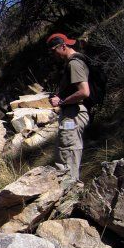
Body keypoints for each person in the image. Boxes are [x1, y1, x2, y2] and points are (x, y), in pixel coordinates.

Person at [47, 33, 90, 181]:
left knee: (68, 150)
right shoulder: (73, 62)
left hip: (73, 114)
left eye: (54, 51)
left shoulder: (74, 63)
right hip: (72, 113)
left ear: (63, 46)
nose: (53, 55)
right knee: (66, 148)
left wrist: (61, 102)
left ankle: (69, 190)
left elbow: (84, 92)